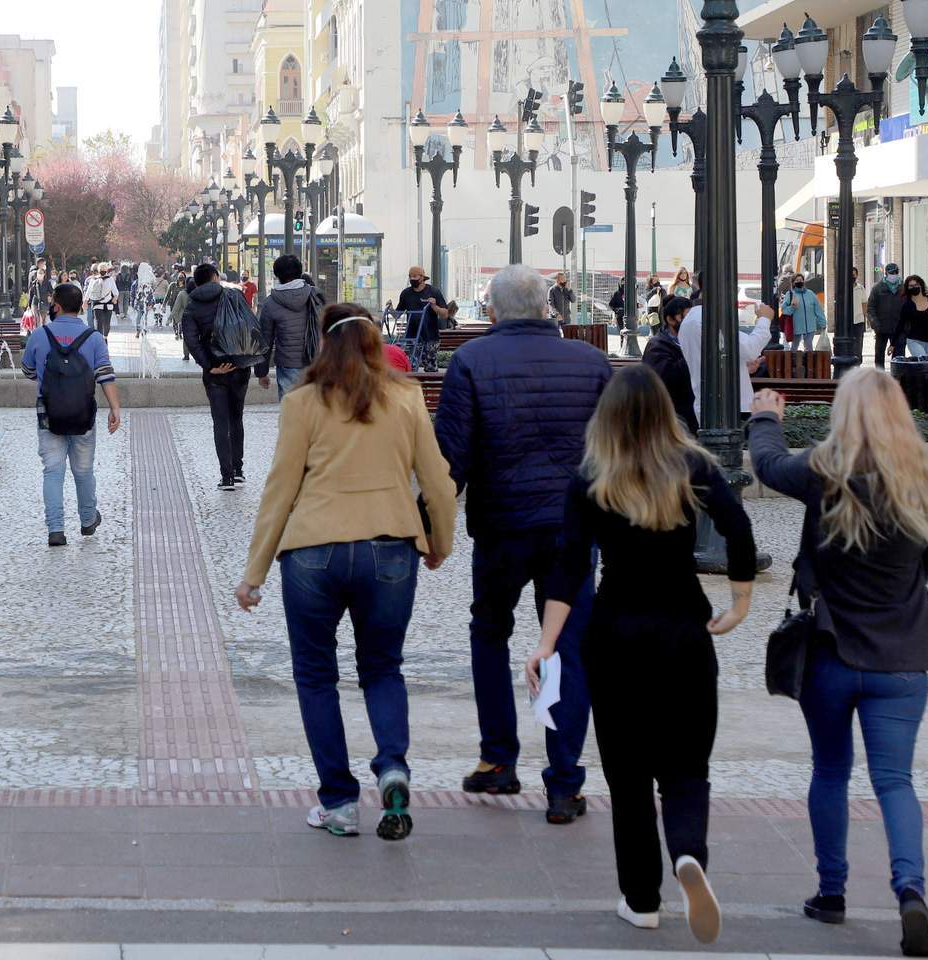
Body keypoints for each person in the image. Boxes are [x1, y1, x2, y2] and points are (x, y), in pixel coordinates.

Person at [527, 364, 753, 943]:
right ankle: (688, 852)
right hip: (684, 630)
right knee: (686, 767)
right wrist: (740, 601)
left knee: (627, 777)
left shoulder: (591, 478)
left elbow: (569, 566)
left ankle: (641, 899)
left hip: (615, 636)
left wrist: (546, 644)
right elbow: (738, 528)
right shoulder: (694, 467)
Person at [235, 302, 457, 840]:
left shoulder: (302, 402)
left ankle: (338, 802)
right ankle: (393, 767)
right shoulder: (405, 398)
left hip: (313, 551)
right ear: (376, 344)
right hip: (390, 548)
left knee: (316, 676)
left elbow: (280, 489)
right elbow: (438, 481)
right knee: (383, 668)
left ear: (324, 345)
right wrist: (438, 544)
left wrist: (254, 573)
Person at [749, 370, 928, 960]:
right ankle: (910, 891)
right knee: (896, 781)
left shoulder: (823, 472)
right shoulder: (926, 482)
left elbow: (768, 466)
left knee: (831, 770)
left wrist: (765, 417)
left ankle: (831, 891)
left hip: (831, 651)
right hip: (902, 656)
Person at [434, 263, 610, 824]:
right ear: (545, 307)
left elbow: (451, 457)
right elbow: (612, 453)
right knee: (567, 647)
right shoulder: (590, 362)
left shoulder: (471, 361)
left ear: (492, 309)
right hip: (572, 531)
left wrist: (430, 527)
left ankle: (498, 758)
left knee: (490, 632)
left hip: (501, 525)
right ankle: (564, 782)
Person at [20, 282, 121, 546]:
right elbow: (105, 374)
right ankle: (87, 520)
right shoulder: (94, 338)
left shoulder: (39, 335)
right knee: (84, 470)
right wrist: (115, 408)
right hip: (83, 412)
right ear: (81, 306)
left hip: (48, 412)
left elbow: (28, 370)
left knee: (53, 471)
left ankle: (55, 529)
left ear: (57, 306)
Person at [182, 263, 268, 489]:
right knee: (236, 418)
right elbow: (250, 325)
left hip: (215, 372)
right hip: (239, 366)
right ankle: (238, 470)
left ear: (197, 281)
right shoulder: (233, 296)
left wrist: (210, 366)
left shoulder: (192, 307)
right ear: (215, 277)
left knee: (220, 422)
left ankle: (226, 477)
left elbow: (191, 341)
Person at [680, 302, 773, 420]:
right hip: (730, 404)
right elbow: (750, 348)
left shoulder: (690, 322)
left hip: (710, 403)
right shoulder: (708, 318)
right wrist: (765, 319)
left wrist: (742, 367)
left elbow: (713, 358)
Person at [258, 254, 324, 399]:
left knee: (290, 408)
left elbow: (265, 340)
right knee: (314, 408)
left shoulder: (270, 303)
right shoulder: (315, 296)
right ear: (300, 272)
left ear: (277, 275)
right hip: (316, 362)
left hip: (287, 364)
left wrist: (262, 372)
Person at [642, 296, 698, 434]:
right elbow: (665, 379)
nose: (690, 323)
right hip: (672, 419)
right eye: (685, 318)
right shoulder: (657, 346)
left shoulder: (693, 340)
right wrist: (691, 356)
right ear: (671, 320)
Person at [868, 263, 906, 368]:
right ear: (886, 273)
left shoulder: (904, 288)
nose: (893, 275)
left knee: (899, 357)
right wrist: (875, 324)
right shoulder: (877, 288)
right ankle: (880, 376)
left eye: (896, 272)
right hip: (881, 328)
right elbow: (871, 308)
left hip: (899, 328)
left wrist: (906, 327)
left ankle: (897, 376)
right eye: (891, 273)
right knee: (879, 355)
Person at [899, 276, 928, 358]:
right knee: (923, 361)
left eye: (916, 285)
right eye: (911, 286)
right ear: (907, 288)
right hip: (914, 340)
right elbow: (901, 323)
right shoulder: (907, 304)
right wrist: (893, 344)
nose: (914, 287)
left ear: (921, 285)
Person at [780, 273, 826, 351]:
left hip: (810, 327)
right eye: (797, 280)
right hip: (796, 326)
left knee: (809, 347)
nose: (799, 282)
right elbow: (784, 310)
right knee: (794, 347)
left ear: (804, 281)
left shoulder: (811, 294)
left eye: (801, 280)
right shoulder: (790, 294)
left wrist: (823, 323)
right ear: (793, 283)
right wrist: (792, 308)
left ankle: (809, 359)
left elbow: (818, 309)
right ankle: (794, 358)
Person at [395, 266, 448, 334]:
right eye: (410, 276)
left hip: (430, 335)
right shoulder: (406, 293)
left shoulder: (433, 291)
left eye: (414, 276)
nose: (412, 278)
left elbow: (445, 314)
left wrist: (435, 307)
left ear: (422, 277)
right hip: (411, 336)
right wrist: (390, 309)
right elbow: (397, 315)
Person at [851, 267, 868, 361]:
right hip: (847, 321)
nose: (852, 277)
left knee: (858, 343)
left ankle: (857, 361)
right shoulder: (843, 288)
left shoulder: (860, 288)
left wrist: (867, 318)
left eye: (853, 275)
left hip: (859, 320)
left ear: (857, 275)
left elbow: (864, 303)